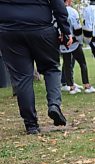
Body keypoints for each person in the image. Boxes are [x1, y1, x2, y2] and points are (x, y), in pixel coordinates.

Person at [0, 0, 72, 134]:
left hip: (9, 30)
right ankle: (54, 105)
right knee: (51, 68)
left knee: (22, 78)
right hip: (41, 27)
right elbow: (58, 4)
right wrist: (65, 30)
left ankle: (31, 125)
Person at [61, 0, 95, 94]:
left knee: (67, 65)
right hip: (73, 42)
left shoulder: (54, 12)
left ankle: (71, 87)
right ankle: (86, 85)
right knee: (82, 63)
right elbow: (77, 29)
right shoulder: (72, 11)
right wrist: (80, 40)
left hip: (62, 42)